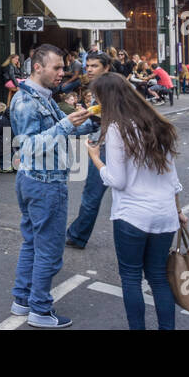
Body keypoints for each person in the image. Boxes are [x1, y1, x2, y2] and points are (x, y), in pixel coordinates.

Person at [84, 72, 186, 330]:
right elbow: (172, 176)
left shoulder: (119, 129)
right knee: (159, 278)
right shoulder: (158, 123)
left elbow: (117, 180)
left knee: (130, 277)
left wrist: (96, 158)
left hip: (133, 216)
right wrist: (178, 210)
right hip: (165, 214)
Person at [10, 44, 98, 328]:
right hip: (44, 183)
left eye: (62, 67)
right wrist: (66, 125)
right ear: (38, 67)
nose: (62, 72)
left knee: (33, 244)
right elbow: (29, 146)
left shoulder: (42, 96)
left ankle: (22, 300)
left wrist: (89, 122)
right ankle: (40, 310)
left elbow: (62, 127)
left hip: (36, 181)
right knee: (48, 249)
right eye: (56, 68)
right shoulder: (26, 101)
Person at [65, 52, 114, 250]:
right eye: (88, 65)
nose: (89, 69)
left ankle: (77, 236)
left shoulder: (108, 89)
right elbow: (97, 120)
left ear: (106, 68)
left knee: (92, 195)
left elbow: (103, 118)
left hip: (106, 147)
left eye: (94, 65)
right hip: (108, 144)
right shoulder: (101, 87)